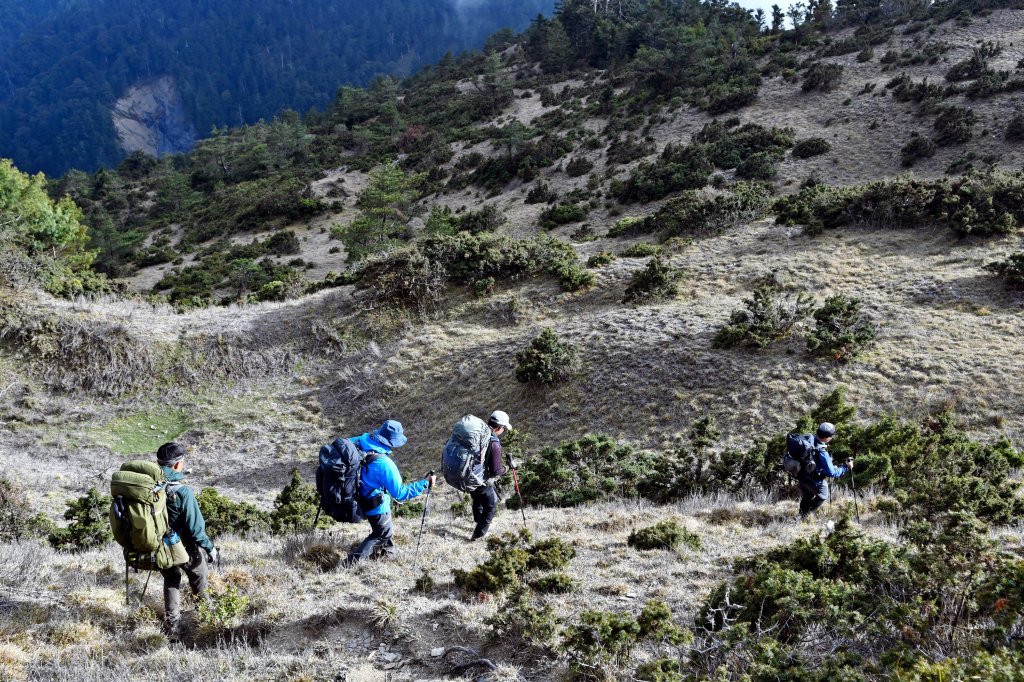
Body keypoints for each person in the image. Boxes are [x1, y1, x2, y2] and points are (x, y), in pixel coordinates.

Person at [345, 420, 435, 565]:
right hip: (374, 504)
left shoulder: (361, 440)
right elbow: (400, 493)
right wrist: (426, 483)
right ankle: (349, 564)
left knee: (383, 529)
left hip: (356, 496)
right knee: (382, 533)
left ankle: (388, 555)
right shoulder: (384, 464)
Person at [156, 442, 217, 641]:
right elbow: (196, 528)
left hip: (160, 546)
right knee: (199, 575)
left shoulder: (153, 488)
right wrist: (210, 548)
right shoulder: (182, 492)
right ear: (177, 465)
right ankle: (207, 618)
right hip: (184, 547)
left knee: (171, 578)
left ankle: (173, 626)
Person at [469, 410, 512, 541]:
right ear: (500, 427)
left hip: (467, 475)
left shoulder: (479, 433)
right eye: (504, 429)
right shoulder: (494, 442)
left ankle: (478, 521)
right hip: (479, 478)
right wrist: (508, 468)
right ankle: (478, 536)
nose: (503, 432)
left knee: (477, 498)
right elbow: (496, 471)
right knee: (491, 506)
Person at [798, 423, 853, 519]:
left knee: (806, 496)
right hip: (815, 480)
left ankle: (800, 515)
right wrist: (846, 467)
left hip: (802, 476)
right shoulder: (822, 451)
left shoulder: (808, 440)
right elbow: (831, 473)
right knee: (823, 495)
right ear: (827, 438)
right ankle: (806, 516)